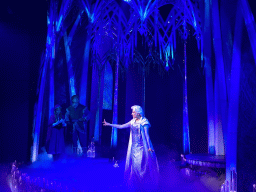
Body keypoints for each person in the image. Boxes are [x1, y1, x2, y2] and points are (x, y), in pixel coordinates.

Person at [103, 105, 159, 190]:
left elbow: (147, 136)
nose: (131, 113)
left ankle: (143, 185)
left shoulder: (144, 122)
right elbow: (122, 126)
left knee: (142, 166)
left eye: (133, 112)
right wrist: (109, 124)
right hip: (133, 148)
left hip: (142, 148)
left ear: (138, 113)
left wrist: (148, 147)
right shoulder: (133, 121)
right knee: (134, 166)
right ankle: (135, 185)